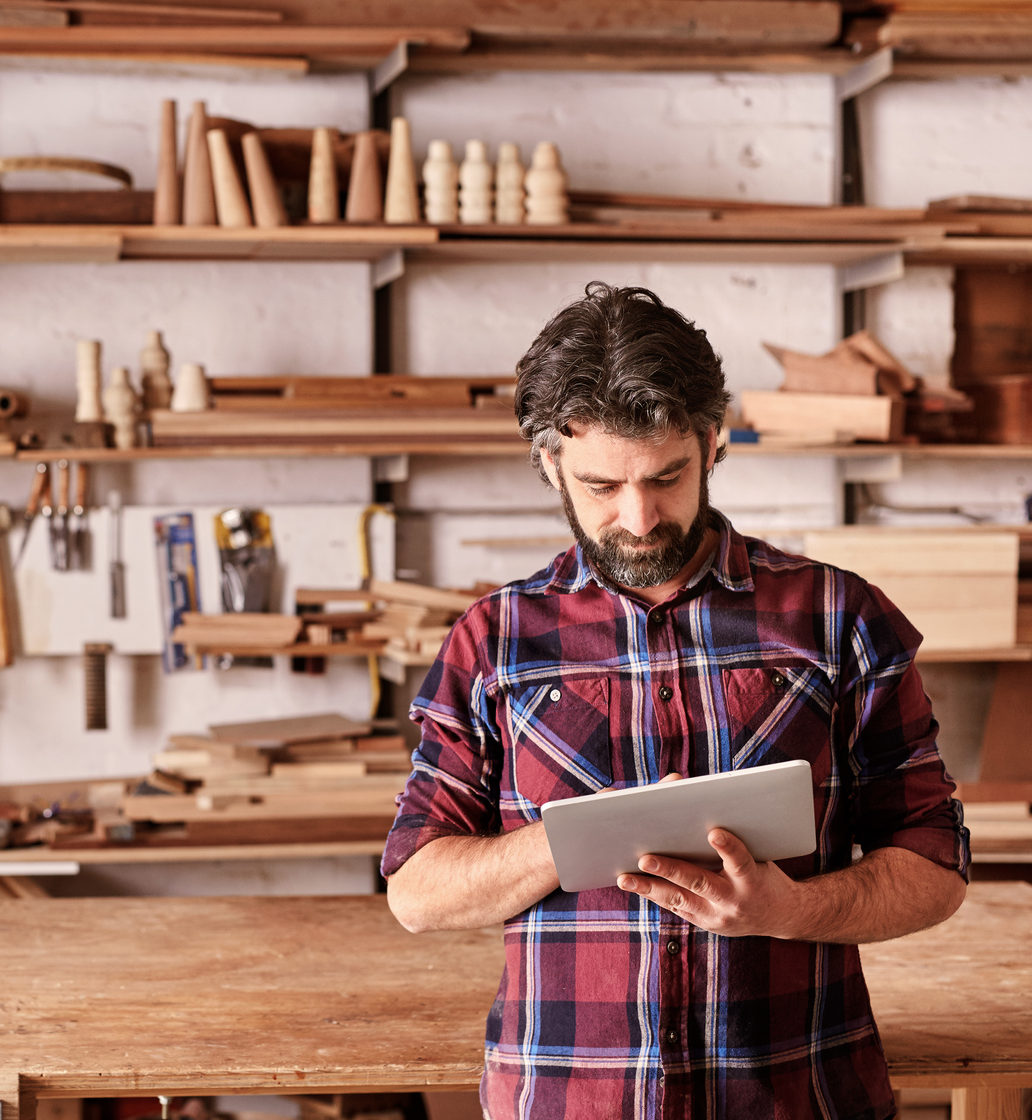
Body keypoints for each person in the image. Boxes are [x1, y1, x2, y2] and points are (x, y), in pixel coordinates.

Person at [382, 282, 969, 1120]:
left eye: (667, 476)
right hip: (567, 1102)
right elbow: (415, 891)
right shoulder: (494, 640)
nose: (640, 517)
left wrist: (792, 910)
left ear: (714, 440)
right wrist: (580, 838)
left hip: (799, 1097)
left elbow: (937, 864)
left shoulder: (838, 617)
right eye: (600, 485)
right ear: (550, 461)